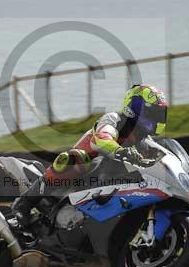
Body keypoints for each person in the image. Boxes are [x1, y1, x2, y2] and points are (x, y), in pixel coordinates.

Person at [12, 83, 169, 227]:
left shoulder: (145, 142)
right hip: (82, 174)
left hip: (111, 184)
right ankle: (25, 203)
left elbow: (162, 159)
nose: (154, 119)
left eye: (158, 114)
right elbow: (102, 139)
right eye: (151, 113)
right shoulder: (115, 119)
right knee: (76, 159)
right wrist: (122, 151)